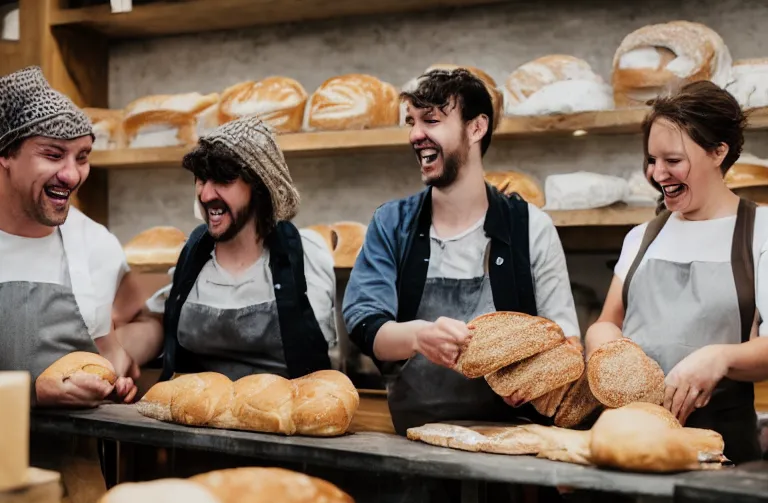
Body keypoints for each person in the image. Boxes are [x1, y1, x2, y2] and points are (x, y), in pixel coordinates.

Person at [342, 68, 581, 437]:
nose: (416, 134)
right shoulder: (392, 223)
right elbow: (364, 322)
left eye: (432, 120)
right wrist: (419, 336)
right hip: (416, 439)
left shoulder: (531, 227)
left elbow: (566, 339)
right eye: (412, 122)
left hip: (512, 444)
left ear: (476, 128)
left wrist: (535, 379)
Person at [586, 80, 768, 465]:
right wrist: (605, 346)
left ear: (718, 152)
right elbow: (607, 322)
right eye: (652, 160)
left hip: (721, 448)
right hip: (631, 437)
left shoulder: (760, 231)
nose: (657, 173)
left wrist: (718, 358)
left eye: (673, 160)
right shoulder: (642, 237)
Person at [119, 115, 337, 381]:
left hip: (284, 414)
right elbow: (157, 322)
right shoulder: (194, 256)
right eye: (201, 179)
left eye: (222, 180)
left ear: (259, 185)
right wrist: (110, 353)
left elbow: (324, 351)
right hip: (195, 414)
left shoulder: (303, 254)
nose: (206, 194)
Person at [0, 66, 142, 407]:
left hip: (80, 458)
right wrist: (33, 392)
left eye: (82, 158)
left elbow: (107, 343)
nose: (72, 175)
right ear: (5, 155)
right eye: (52, 154)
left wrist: (115, 373)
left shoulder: (95, 243)